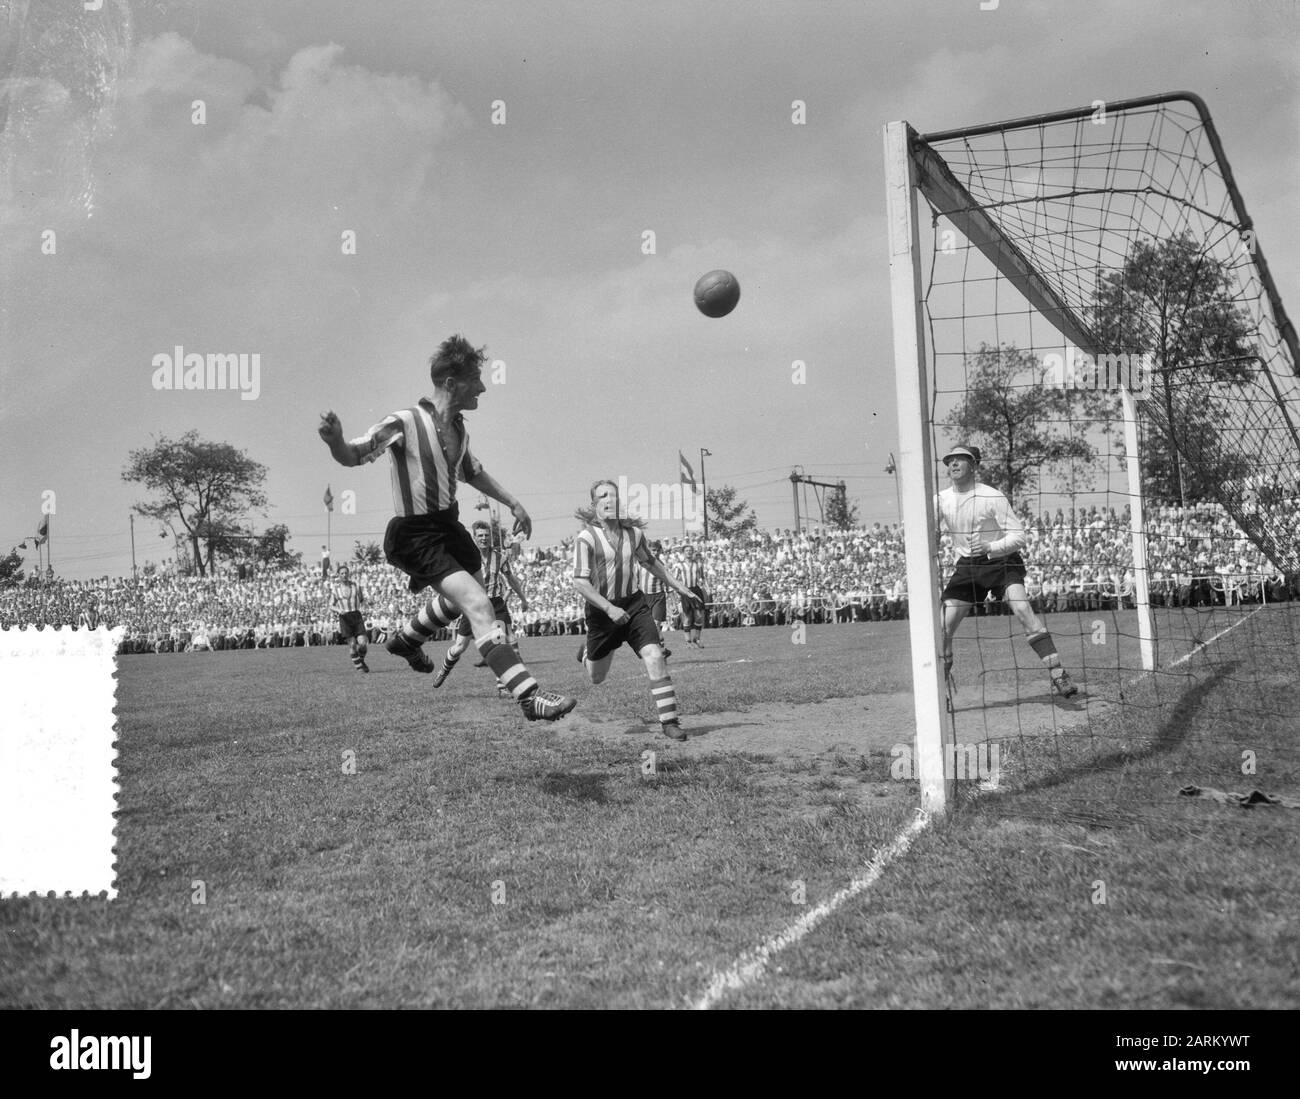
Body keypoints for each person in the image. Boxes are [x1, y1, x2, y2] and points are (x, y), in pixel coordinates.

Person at [317, 333, 575, 722]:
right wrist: (335, 441)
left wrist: (514, 503)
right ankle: (529, 697)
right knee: (478, 605)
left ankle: (408, 639)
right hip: (417, 533)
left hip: (449, 525)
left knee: (465, 598)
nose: (484, 387)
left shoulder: (459, 428)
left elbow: (473, 472)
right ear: (452, 383)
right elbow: (354, 454)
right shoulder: (404, 421)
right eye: (476, 379)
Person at [935, 445, 1078, 698]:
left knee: (1023, 610)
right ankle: (938, 691)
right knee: (943, 628)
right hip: (968, 567)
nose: (953, 464)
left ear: (974, 465)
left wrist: (991, 546)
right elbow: (927, 532)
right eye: (950, 460)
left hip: (1001, 561)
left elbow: (1019, 536)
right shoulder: (941, 500)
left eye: (961, 459)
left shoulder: (992, 496)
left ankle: (1058, 675)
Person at [571, 480, 705, 741]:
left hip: (634, 605)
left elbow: (652, 563)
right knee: (596, 677)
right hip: (602, 612)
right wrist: (609, 609)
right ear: (595, 505)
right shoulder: (586, 538)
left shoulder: (634, 535)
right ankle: (588, 654)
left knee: (655, 655)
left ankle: (670, 722)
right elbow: (579, 582)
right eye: (603, 497)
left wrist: (680, 587)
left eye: (614, 495)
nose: (610, 500)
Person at [432, 520, 530, 696]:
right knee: (460, 646)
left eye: (486, 535)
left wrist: (523, 599)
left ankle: (503, 687)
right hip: (473, 605)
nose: (484, 538)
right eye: (480, 536)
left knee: (500, 642)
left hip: (496, 604)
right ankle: (444, 670)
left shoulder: (500, 557)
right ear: (475, 538)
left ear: (490, 537)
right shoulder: (466, 556)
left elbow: (511, 579)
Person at [329, 563, 370, 672]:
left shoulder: (355, 585)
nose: (344, 575)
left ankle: (360, 661)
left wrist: (362, 595)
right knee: (352, 644)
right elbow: (330, 605)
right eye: (342, 573)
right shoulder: (335, 588)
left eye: (346, 573)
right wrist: (339, 610)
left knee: (363, 643)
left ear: (348, 574)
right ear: (338, 575)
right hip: (344, 617)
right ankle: (359, 668)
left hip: (356, 615)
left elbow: (361, 600)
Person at [637, 539, 672, 658]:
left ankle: (660, 651)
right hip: (644, 597)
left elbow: (668, 582)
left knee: (656, 624)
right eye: (653, 550)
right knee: (647, 626)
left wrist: (672, 601)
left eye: (657, 550)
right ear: (648, 550)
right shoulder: (640, 563)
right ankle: (659, 649)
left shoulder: (661, 565)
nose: (655, 552)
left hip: (658, 596)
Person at [678, 544, 707, 646]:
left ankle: (697, 639)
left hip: (695, 590)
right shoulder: (679, 565)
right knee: (687, 617)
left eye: (690, 550)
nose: (689, 552)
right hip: (686, 591)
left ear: (693, 552)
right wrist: (679, 590)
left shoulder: (698, 564)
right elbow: (675, 579)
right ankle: (688, 641)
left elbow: (702, 577)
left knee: (699, 616)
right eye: (686, 551)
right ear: (683, 553)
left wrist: (702, 583)